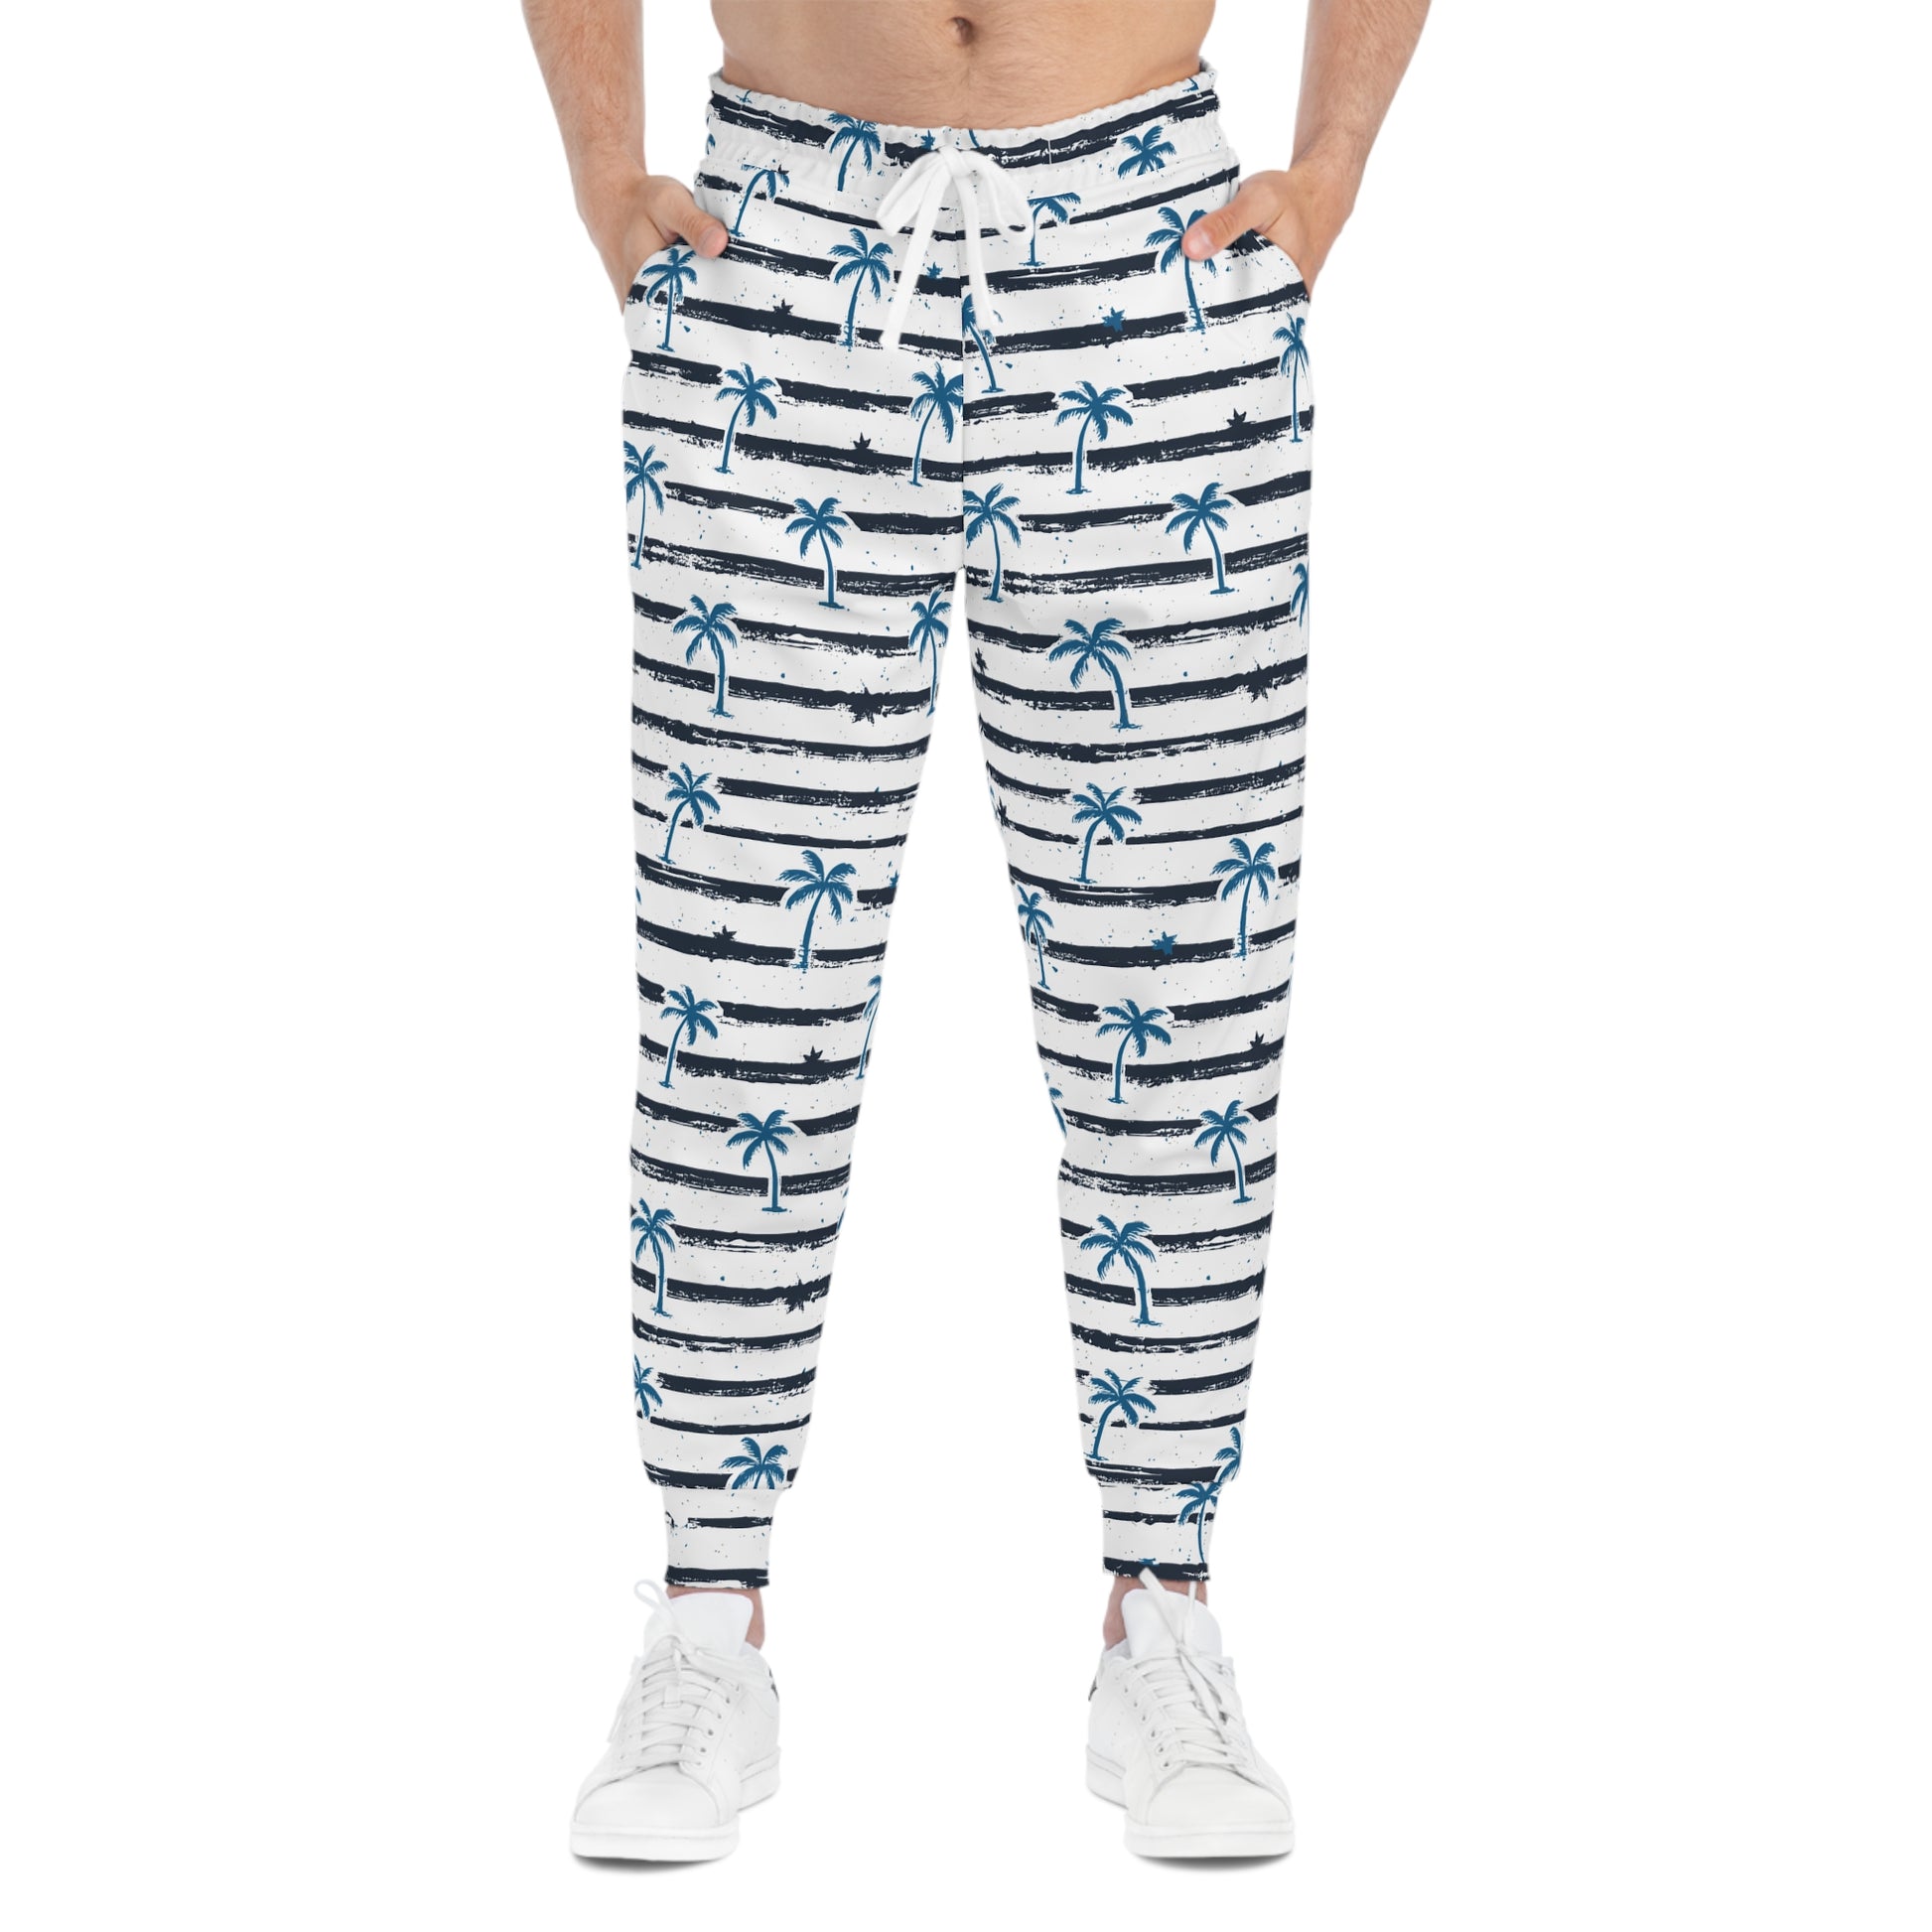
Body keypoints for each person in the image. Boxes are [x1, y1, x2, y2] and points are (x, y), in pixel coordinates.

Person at [522, 0, 1429, 1863]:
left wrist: (1331, 166)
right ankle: (705, 1618)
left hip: (1147, 246)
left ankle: (1160, 1610)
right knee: (738, 969)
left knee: (1176, 975)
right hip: (781, 248)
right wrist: (604, 173)